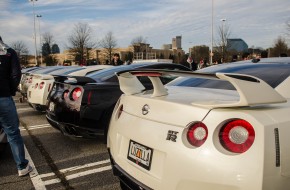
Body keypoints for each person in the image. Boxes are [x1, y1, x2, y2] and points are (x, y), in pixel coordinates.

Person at [0, 36, 33, 176]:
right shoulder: (8, 52)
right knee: (12, 133)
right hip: (3, 97)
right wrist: (10, 90)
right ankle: (22, 166)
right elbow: (16, 74)